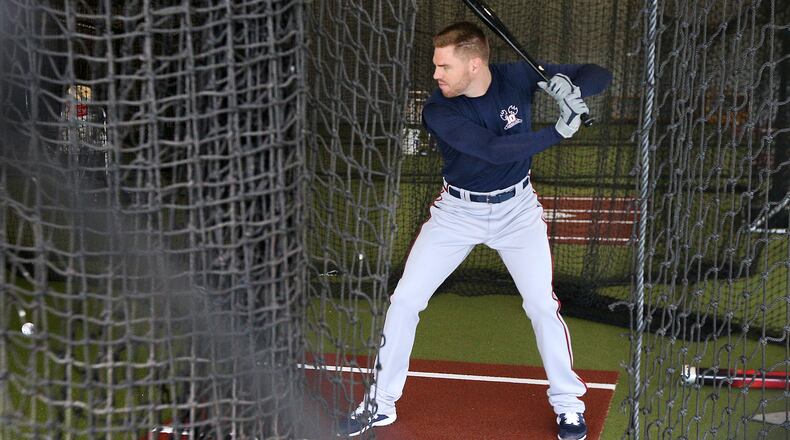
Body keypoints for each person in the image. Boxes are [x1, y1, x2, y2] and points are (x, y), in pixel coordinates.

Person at [338, 21, 612, 440]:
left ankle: (569, 405)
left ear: (475, 65)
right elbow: (491, 150)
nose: (436, 75)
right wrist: (556, 131)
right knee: (405, 300)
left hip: (518, 211)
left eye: (444, 66)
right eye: (436, 66)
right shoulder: (439, 110)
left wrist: (569, 86)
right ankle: (380, 403)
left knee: (541, 305)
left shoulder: (516, 75)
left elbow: (599, 72)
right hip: (456, 213)